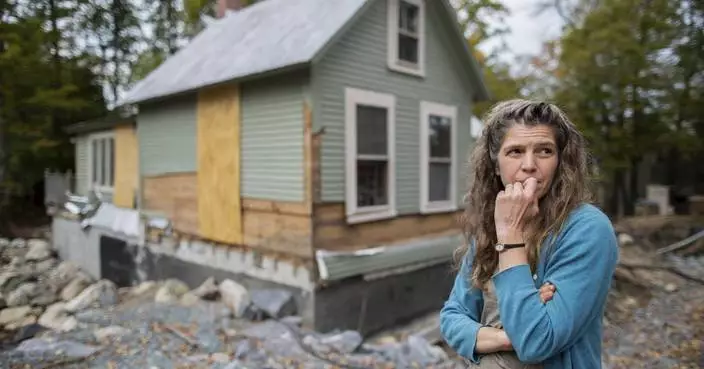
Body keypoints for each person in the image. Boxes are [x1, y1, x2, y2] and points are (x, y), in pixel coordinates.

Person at [439, 99, 618, 369]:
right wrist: (504, 337)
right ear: (496, 165)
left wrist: (510, 234)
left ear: (561, 162)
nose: (529, 165)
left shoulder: (587, 229)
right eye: (515, 152)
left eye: (544, 151)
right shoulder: (490, 227)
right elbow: (452, 317)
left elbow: (536, 342)